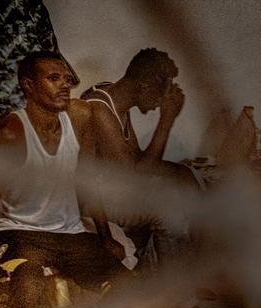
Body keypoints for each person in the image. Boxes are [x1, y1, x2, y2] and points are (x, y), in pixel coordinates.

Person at [0, 50, 126, 308]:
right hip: (16, 231)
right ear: (28, 85)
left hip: (69, 233)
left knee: (128, 287)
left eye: (68, 79)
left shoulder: (81, 117)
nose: (65, 85)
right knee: (29, 283)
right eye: (53, 78)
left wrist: (105, 238)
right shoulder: (9, 134)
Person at [77, 48, 197, 267]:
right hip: (95, 205)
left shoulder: (116, 99)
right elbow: (134, 176)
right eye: (161, 95)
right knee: (168, 210)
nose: (160, 104)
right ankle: (175, 296)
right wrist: (166, 120)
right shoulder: (98, 109)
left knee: (185, 174)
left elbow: (137, 160)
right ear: (145, 87)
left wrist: (177, 174)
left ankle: (186, 269)